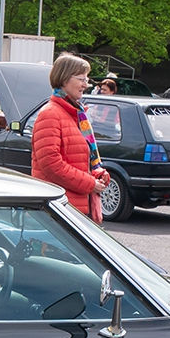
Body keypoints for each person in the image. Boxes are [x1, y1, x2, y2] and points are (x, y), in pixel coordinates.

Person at [30, 54, 109, 219]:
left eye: (86, 79)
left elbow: (79, 160)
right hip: (58, 211)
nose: (85, 85)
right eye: (81, 79)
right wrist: (90, 183)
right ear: (64, 79)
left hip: (72, 209)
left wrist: (97, 174)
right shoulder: (50, 114)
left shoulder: (76, 115)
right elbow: (51, 165)